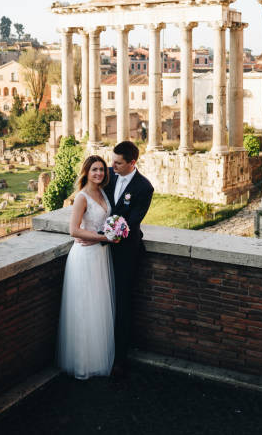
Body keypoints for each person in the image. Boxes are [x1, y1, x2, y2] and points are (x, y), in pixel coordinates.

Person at [57, 155, 116, 379]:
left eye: (101, 169)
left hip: (101, 256)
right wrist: (105, 238)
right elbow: (73, 230)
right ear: (86, 172)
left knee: (98, 307)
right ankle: (83, 365)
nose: (99, 173)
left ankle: (98, 358)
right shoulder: (81, 197)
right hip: (84, 256)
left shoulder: (102, 192)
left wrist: (109, 235)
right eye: (94, 170)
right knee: (84, 308)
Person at [104, 140, 154, 377]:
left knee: (122, 302)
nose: (111, 166)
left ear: (132, 163)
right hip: (100, 249)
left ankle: (119, 358)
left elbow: (132, 221)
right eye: (112, 160)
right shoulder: (107, 177)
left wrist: (109, 234)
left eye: (118, 163)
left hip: (126, 252)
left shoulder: (144, 187)